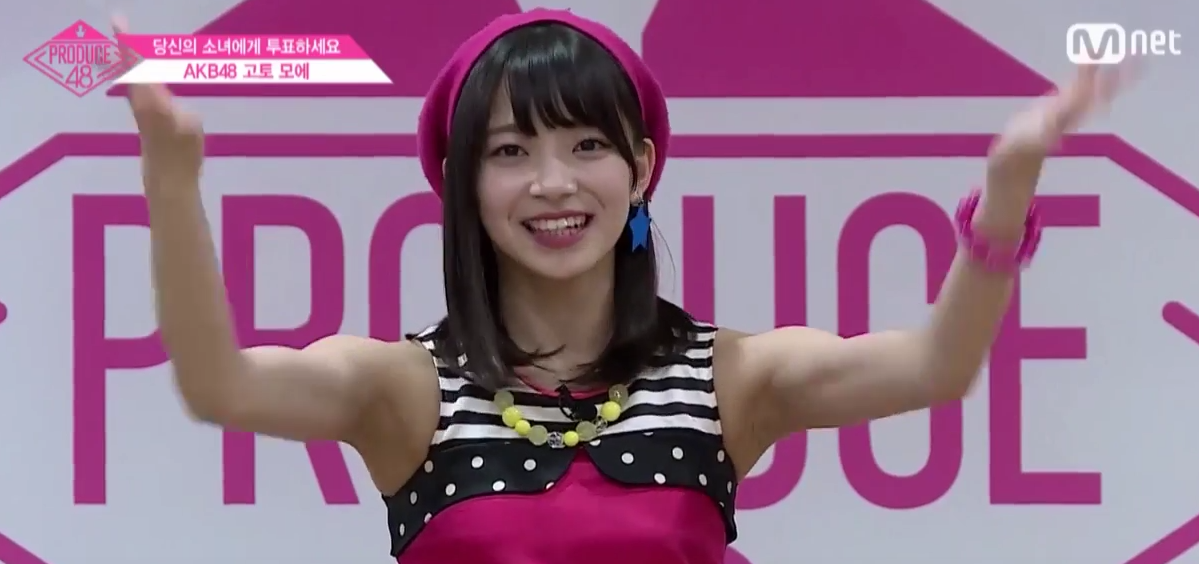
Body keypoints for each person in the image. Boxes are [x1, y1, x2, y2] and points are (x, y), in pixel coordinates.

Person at [115, 9, 1130, 564]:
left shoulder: (725, 377)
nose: (552, 183)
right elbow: (219, 383)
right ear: (462, 183)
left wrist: (1007, 188)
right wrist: (171, 177)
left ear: (639, 166)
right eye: (510, 151)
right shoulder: (406, 389)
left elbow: (934, 368)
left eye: (586, 145)